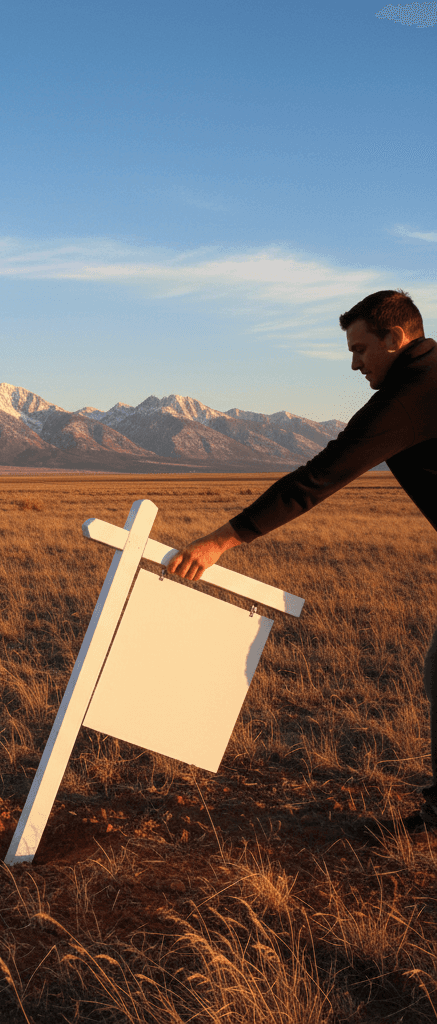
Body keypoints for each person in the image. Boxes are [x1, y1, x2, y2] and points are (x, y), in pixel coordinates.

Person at [167, 290, 437, 836]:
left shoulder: (414, 389)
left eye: (361, 349)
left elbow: (321, 475)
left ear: (395, 338)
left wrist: (222, 540)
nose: (354, 362)